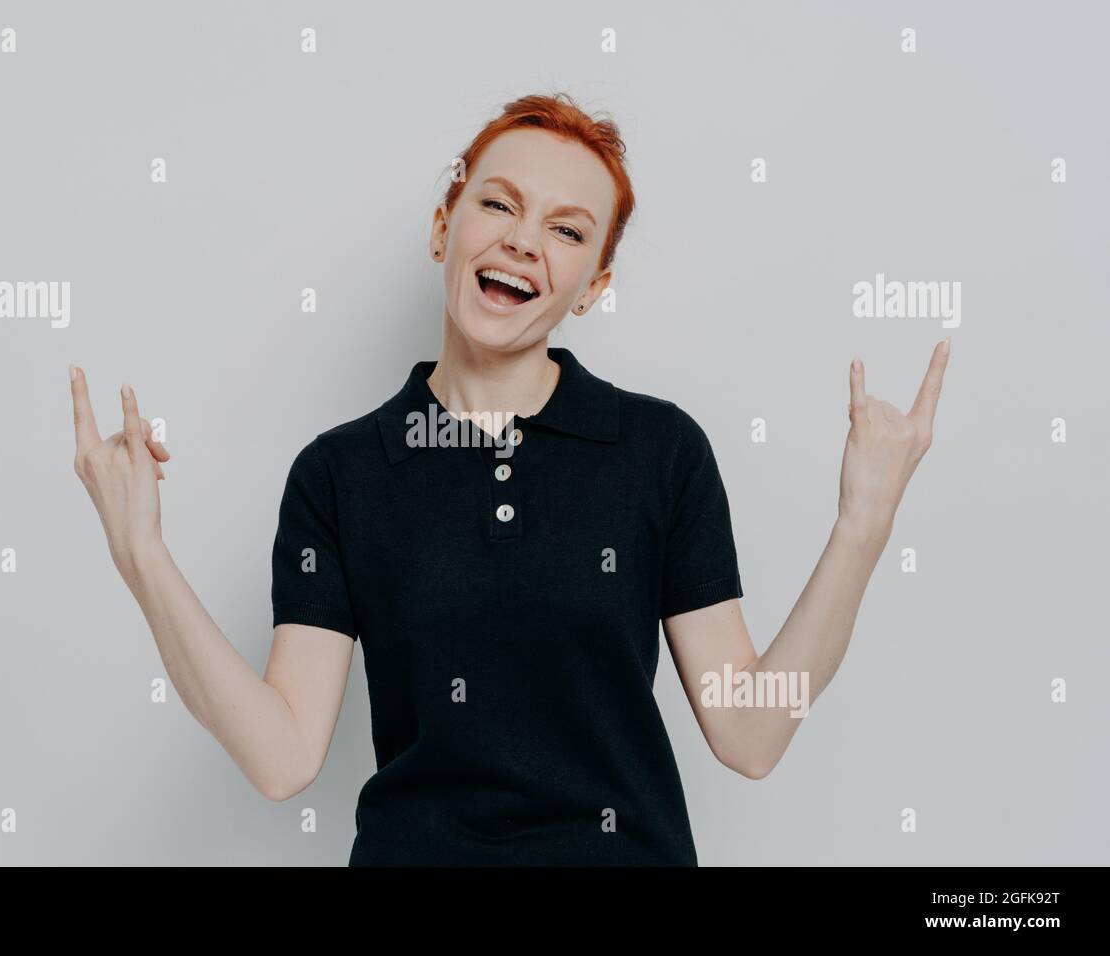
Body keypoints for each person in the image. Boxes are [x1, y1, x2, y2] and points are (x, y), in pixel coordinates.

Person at [69, 92, 949, 866]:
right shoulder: (340, 473)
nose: (524, 242)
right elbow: (283, 756)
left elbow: (751, 731)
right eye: (499, 204)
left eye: (567, 230)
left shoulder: (659, 450)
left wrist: (862, 525)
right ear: (443, 227)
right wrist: (142, 555)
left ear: (593, 283)